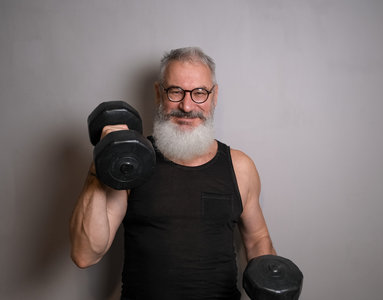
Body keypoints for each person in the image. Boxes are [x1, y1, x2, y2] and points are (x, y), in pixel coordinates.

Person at [70, 47, 276, 299]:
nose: (187, 106)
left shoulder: (240, 167)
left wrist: (272, 285)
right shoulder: (130, 167)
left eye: (199, 92)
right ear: (159, 93)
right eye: (176, 91)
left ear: (214, 96)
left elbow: (257, 240)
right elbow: (85, 254)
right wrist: (102, 162)